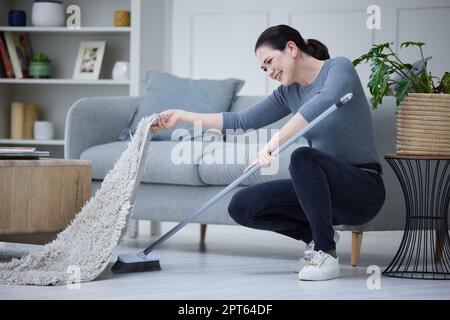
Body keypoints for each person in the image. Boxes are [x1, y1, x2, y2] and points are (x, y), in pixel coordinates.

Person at [150, 25, 386, 281]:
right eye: (264, 68)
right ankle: (317, 238)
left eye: (270, 61)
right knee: (243, 205)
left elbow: (324, 101)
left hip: (362, 191)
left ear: (292, 49)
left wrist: (273, 142)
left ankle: (325, 254)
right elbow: (240, 120)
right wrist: (183, 116)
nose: (269, 72)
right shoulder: (288, 93)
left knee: (302, 157)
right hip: (323, 192)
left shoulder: (338, 68)